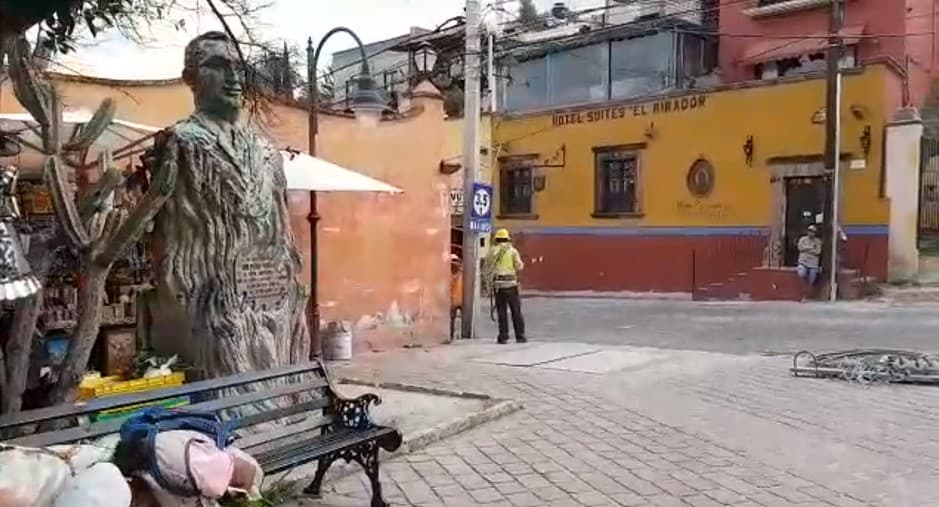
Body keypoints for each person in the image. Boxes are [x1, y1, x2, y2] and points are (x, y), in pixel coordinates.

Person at [486, 229, 526, 344]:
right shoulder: (513, 251)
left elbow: (488, 266)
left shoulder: (492, 251)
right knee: (516, 311)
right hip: (511, 284)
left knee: (501, 311)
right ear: (508, 239)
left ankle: (503, 337)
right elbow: (519, 267)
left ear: (497, 239)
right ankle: (520, 336)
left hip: (498, 285)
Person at [796, 224, 823, 300]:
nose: (811, 233)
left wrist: (806, 249)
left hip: (813, 264)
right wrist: (811, 249)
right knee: (801, 274)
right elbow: (800, 248)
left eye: (813, 231)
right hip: (803, 262)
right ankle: (802, 294)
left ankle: (806, 295)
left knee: (811, 279)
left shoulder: (818, 241)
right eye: (810, 231)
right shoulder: (802, 239)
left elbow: (818, 251)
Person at [449, 254, 463, 341]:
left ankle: (455, 335)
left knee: (453, 319)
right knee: (452, 319)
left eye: (455, 261)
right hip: (454, 300)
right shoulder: (460, 273)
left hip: (458, 300)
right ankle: (452, 335)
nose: (454, 263)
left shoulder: (461, 273)